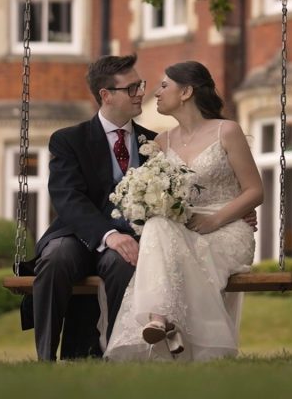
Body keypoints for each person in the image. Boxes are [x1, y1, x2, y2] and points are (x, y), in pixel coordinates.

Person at [102, 61, 263, 362]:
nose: (156, 93)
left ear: (186, 92)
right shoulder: (161, 142)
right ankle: (161, 320)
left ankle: (164, 321)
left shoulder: (227, 131)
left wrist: (216, 219)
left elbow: (255, 190)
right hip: (183, 227)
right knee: (157, 226)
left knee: (170, 243)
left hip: (226, 228)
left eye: (164, 86)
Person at [27, 53, 156, 361]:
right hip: (77, 235)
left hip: (129, 240)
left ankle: (116, 354)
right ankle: (45, 358)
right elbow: (67, 197)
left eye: (140, 85)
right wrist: (108, 235)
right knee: (55, 259)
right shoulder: (69, 140)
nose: (140, 93)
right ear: (106, 95)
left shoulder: (154, 143)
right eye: (132, 88)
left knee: (123, 262)